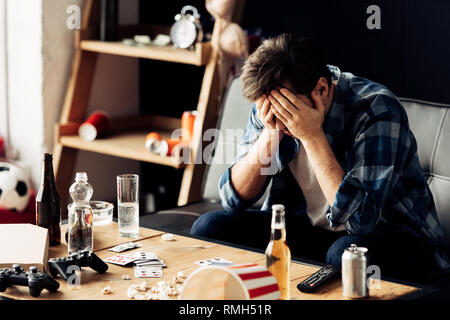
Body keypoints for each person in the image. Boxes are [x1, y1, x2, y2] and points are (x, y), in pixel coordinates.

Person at [190, 34, 449, 281]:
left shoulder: (376, 109)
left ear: (322, 89)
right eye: (269, 108)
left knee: (344, 255)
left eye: (286, 107)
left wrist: (312, 137)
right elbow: (232, 199)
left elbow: (361, 222)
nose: (278, 116)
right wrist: (270, 134)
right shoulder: (270, 100)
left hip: (396, 240)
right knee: (209, 227)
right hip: (310, 231)